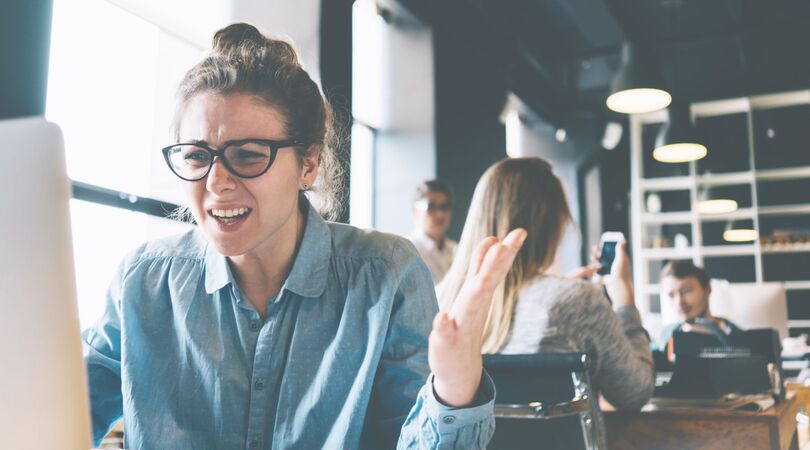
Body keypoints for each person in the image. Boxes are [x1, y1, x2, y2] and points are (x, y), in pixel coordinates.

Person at [82, 23, 527, 449]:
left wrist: (453, 390)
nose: (216, 182)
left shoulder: (385, 275)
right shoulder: (142, 282)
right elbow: (56, 415)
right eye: (197, 156)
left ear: (308, 165)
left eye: (248, 155)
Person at [438, 157, 655, 414]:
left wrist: (564, 292)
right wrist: (625, 301)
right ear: (553, 225)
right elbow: (634, 393)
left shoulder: (439, 301)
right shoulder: (577, 301)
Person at [651, 260, 743, 352]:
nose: (679, 302)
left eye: (686, 290)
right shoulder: (664, 337)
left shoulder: (735, 335)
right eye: (671, 295)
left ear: (707, 289)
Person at [408, 180, 457, 284]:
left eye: (444, 207)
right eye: (431, 207)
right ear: (414, 210)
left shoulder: (456, 250)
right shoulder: (407, 251)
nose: (440, 214)